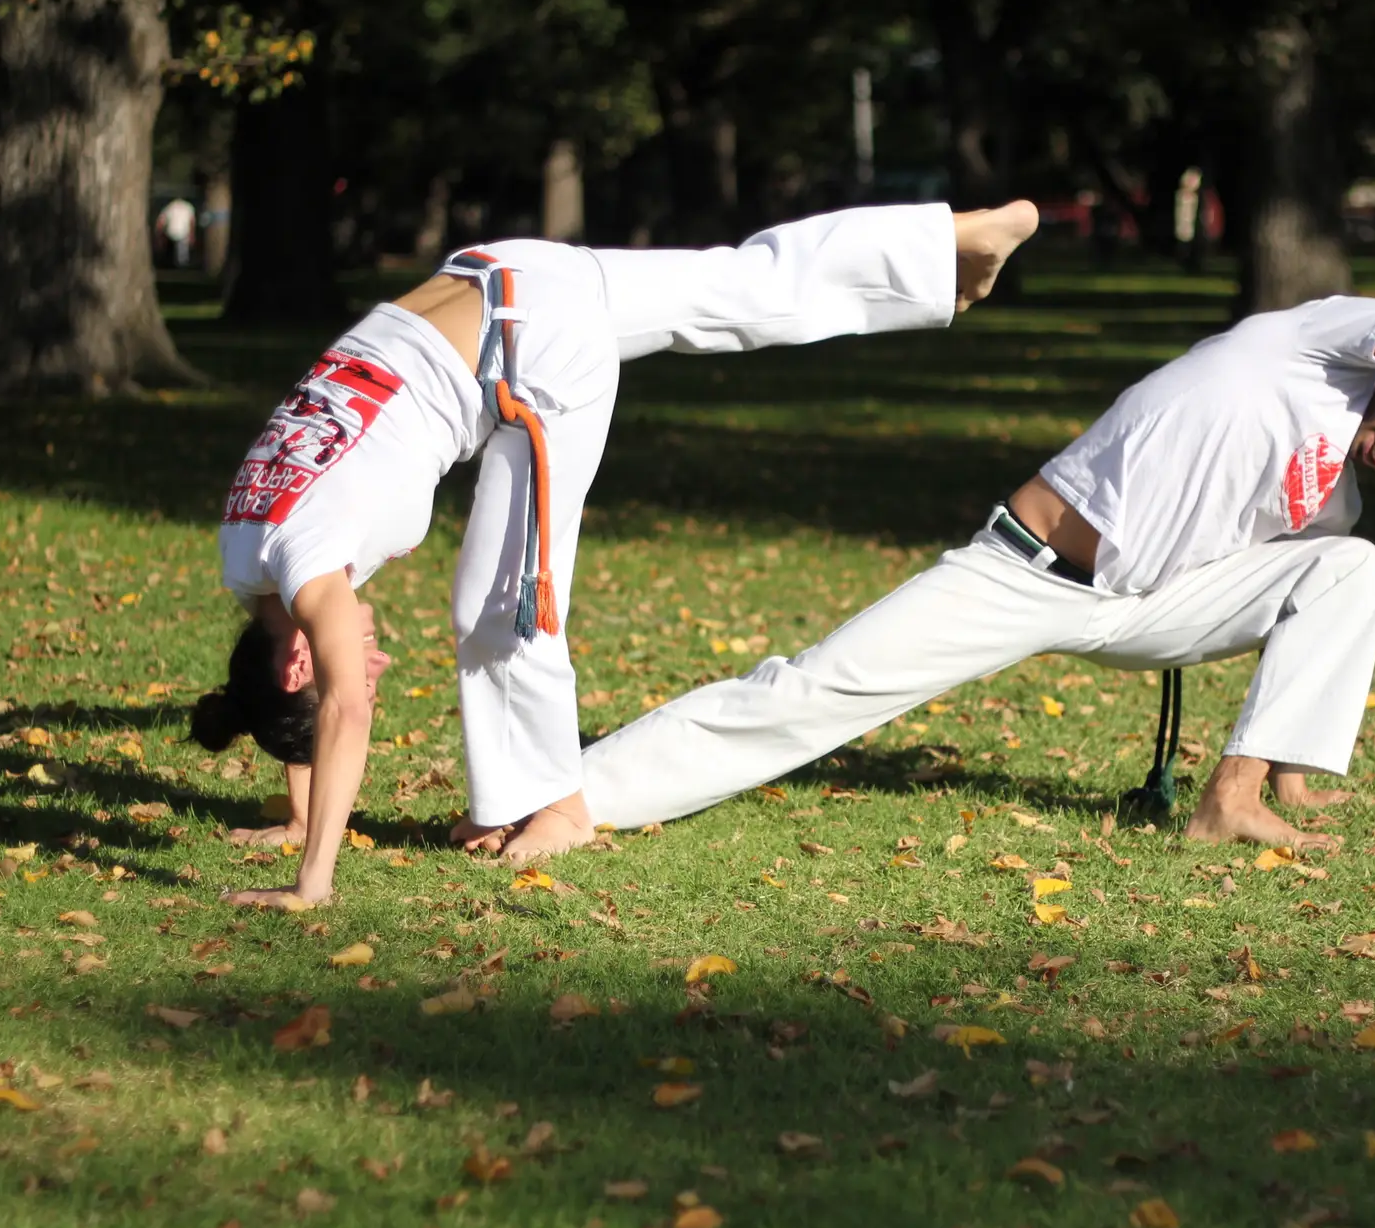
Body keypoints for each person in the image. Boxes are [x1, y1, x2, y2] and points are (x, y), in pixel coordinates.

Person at [554, 298, 1375, 850]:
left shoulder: (1343, 494)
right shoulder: (1326, 342)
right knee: (813, 690)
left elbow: (1279, 581)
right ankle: (566, 801)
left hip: (1145, 607)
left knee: (1349, 566)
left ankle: (1247, 793)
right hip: (1024, 568)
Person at [191, 201, 1043, 908]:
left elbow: (337, 709)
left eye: (363, 666)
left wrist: (313, 880)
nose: (375, 665)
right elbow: (308, 698)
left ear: (300, 656)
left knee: (503, 601)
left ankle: (553, 803)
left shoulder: (308, 574)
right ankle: (946, 244)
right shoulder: (248, 546)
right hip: (498, 271)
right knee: (736, 285)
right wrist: (303, 814)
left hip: (533, 347)